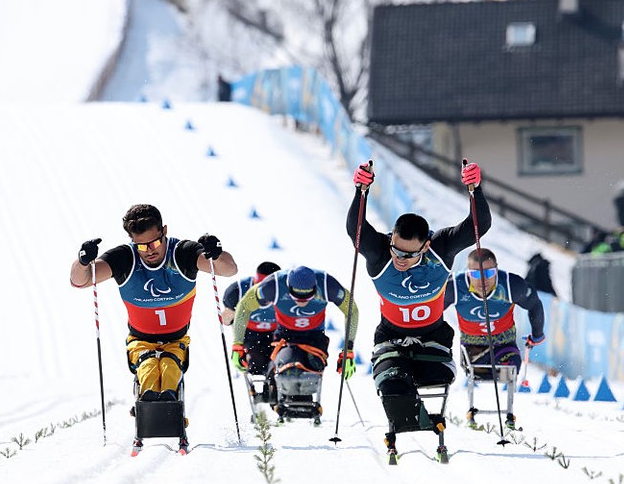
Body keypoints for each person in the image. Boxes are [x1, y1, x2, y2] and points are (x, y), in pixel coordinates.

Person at [347, 161, 491, 459]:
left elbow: (478, 227)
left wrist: (475, 190)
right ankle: (411, 425)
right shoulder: (379, 253)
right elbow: (356, 230)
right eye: (396, 249)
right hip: (391, 337)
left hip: (434, 337)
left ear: (425, 246)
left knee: (438, 380)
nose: (399, 258)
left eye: (408, 254)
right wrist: (361, 191)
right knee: (391, 384)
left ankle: (426, 421)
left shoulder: (441, 248)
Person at [70, 204, 237, 409]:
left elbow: (229, 270)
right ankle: (146, 408)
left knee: (169, 366)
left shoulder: (183, 253)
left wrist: (216, 254)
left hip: (176, 339)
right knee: (148, 366)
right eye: (141, 246)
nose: (149, 251)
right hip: (140, 340)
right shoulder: (125, 258)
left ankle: (170, 409)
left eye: (155, 242)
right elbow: (81, 281)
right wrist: (83, 261)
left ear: (164, 231)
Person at [231, 265, 359, 422]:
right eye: (297, 298)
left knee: (312, 370)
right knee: (285, 369)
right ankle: (275, 397)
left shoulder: (326, 284)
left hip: (314, 337)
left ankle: (301, 402)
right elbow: (244, 306)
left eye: (307, 298)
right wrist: (237, 345)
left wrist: (348, 350)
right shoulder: (274, 285)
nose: (301, 303)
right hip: (286, 336)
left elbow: (351, 309)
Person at [444, 247, 545, 428]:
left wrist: (537, 335)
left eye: (489, 273)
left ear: (497, 270)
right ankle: (472, 411)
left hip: (504, 346)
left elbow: (535, 304)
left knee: (511, 368)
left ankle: (509, 414)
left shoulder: (511, 285)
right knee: (475, 372)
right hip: (472, 350)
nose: (483, 280)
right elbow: (432, 311)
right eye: (475, 274)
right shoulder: (455, 287)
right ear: (467, 272)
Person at [222, 261, 281, 377]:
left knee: (281, 363)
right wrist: (237, 346)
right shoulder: (237, 291)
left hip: (276, 334)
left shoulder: (286, 291)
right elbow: (226, 320)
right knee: (256, 364)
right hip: (251, 335)